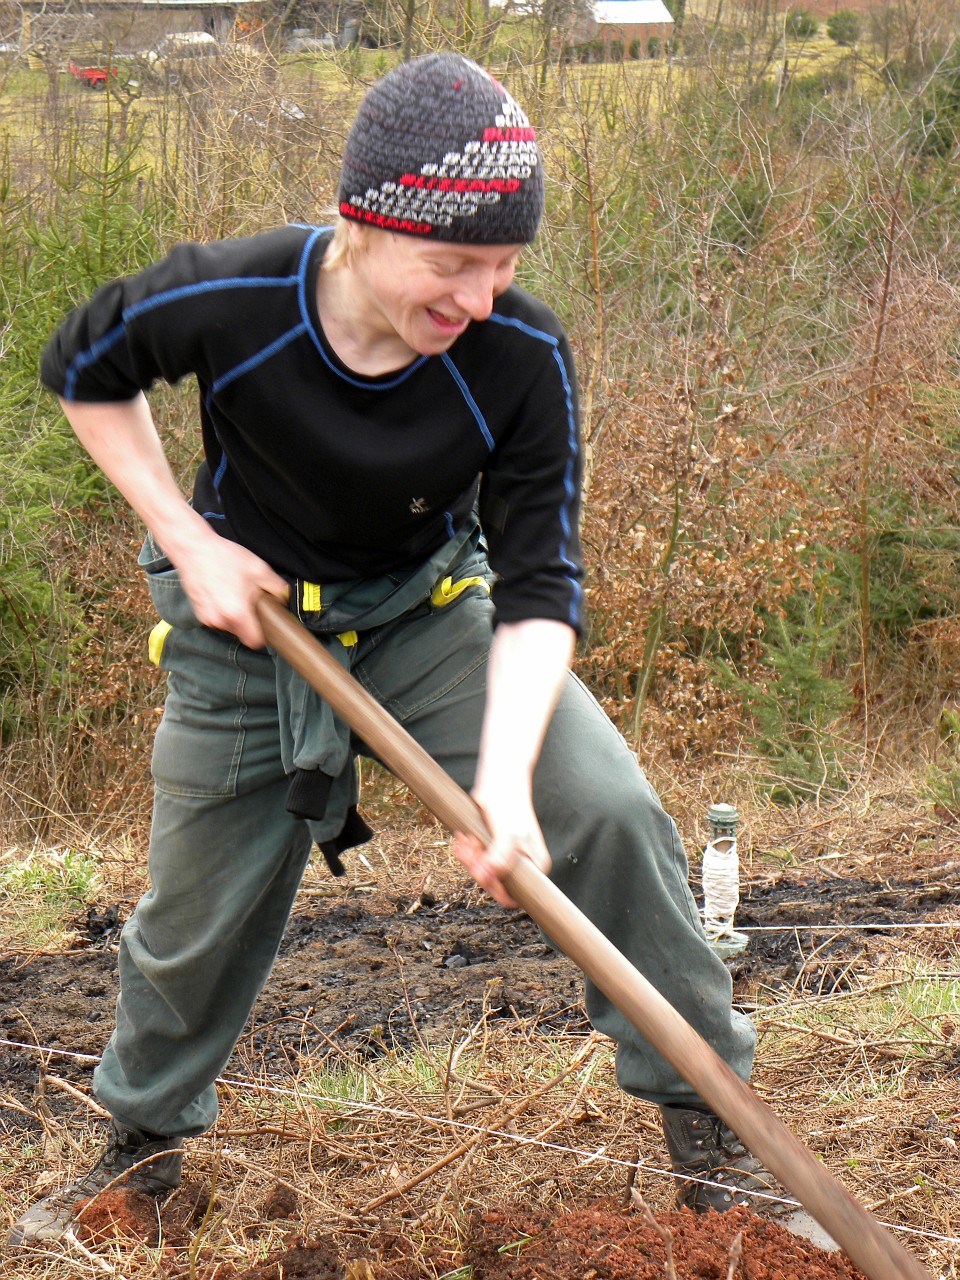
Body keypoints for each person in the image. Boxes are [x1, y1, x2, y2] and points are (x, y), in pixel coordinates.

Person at [8, 52, 789, 1249]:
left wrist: (506, 779)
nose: (480, 296)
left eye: (504, 263)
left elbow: (541, 585)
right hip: (247, 628)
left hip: (427, 615)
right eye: (453, 262)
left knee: (609, 810)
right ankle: (142, 1150)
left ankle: (714, 1126)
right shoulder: (239, 295)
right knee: (193, 916)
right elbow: (81, 363)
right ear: (363, 222)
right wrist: (188, 539)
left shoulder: (518, 356)